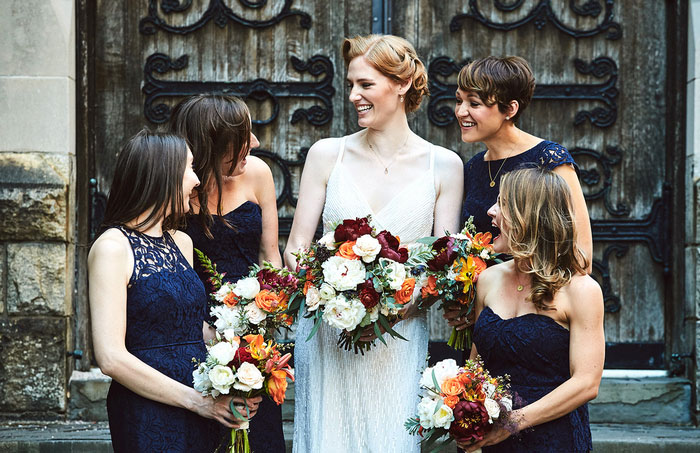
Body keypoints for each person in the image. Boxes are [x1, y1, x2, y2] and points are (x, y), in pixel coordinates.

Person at [284, 34, 464, 453]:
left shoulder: (444, 166)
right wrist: (331, 299)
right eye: (351, 85)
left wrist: (389, 315)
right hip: (328, 337)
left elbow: (444, 266)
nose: (353, 96)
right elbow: (296, 248)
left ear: (401, 85)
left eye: (365, 84)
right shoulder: (328, 155)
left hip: (397, 338)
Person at [88, 130, 260, 453]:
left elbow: (190, 325)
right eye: (190, 168)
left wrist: (248, 360)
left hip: (201, 406)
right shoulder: (112, 248)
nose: (196, 180)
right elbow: (111, 357)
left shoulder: (182, 242)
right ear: (163, 173)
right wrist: (196, 402)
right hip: (148, 411)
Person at [167, 94, 285, 453]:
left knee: (258, 433)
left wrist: (268, 314)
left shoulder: (259, 173)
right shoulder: (176, 186)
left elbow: (270, 255)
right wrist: (199, 329)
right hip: (192, 327)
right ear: (212, 147)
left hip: (252, 330)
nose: (256, 144)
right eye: (243, 138)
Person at [447, 55, 593, 332]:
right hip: (483, 323)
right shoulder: (474, 168)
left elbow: (580, 256)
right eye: (459, 100)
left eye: (474, 103)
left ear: (510, 108)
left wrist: (512, 302)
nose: (461, 112)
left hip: (535, 322)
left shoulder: (549, 160)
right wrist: (465, 303)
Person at [462, 167, 604, 452]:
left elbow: (587, 383)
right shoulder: (488, 279)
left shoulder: (581, 290)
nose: (490, 211)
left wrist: (513, 422)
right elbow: (475, 367)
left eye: (502, 203)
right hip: (491, 441)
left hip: (554, 439)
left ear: (530, 216)